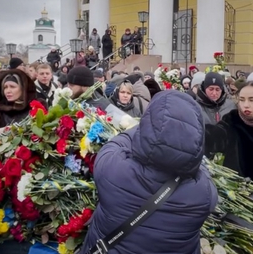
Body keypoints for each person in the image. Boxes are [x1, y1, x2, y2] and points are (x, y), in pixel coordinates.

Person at [81, 90, 218, 253]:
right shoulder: (204, 195)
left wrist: (146, 127)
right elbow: (200, 166)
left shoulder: (111, 168)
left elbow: (119, 142)